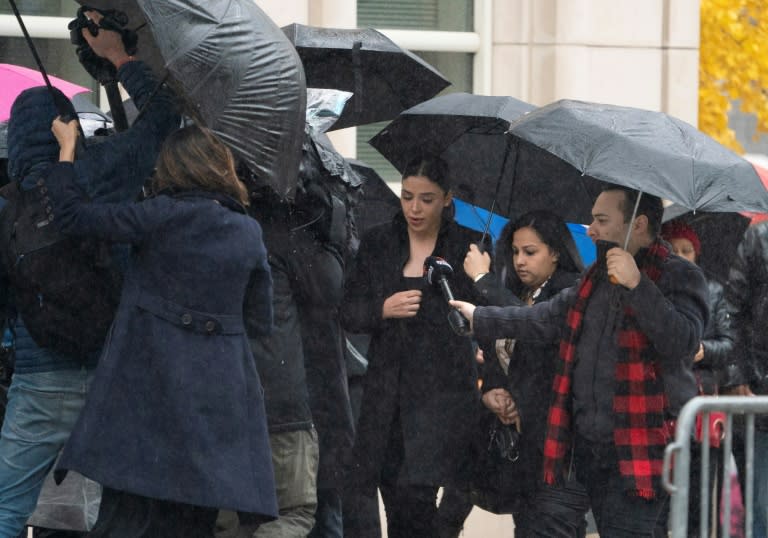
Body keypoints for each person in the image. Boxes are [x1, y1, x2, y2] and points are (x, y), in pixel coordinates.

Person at [47, 121, 277, 536]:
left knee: (128, 518)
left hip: (147, 399)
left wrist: (66, 151)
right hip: (214, 403)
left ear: (171, 168)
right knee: (191, 522)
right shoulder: (248, 232)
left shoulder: (158, 218)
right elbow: (262, 320)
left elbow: (72, 215)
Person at [0, 12, 179, 536]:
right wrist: (121, 58)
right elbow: (162, 116)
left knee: (7, 510)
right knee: (116, 515)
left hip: (38, 379)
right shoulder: (106, 168)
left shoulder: (8, 207)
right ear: (70, 126)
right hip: (113, 373)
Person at [450, 186, 710, 538]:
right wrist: (480, 316)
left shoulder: (678, 275)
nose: (591, 229)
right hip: (587, 451)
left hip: (642, 452)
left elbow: (683, 342)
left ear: (638, 223)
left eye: (601, 220)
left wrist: (638, 285)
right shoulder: (596, 276)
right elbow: (544, 318)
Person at [341, 156, 482, 538]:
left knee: (428, 508)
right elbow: (348, 311)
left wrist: (479, 281)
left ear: (447, 199)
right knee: (400, 505)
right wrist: (381, 309)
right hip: (389, 401)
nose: (414, 208)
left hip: (443, 399)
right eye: (406, 197)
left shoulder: (466, 247)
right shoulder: (378, 242)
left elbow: (486, 316)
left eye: (427, 199)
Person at [463, 210, 585, 536]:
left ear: (556, 252)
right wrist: (493, 390)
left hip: (560, 447)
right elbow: (498, 354)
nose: (520, 261)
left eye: (530, 252)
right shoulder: (519, 291)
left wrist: (483, 281)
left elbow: (534, 326)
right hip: (524, 448)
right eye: (515, 252)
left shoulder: (569, 289)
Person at [661, 219, 736, 536]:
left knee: (701, 497)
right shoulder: (655, 291)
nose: (679, 256)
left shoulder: (715, 290)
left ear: (696, 254)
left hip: (702, 406)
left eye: (686, 250)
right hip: (664, 406)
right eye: (673, 250)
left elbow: (729, 343)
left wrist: (704, 350)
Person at [724, 220, 768, 538]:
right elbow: (733, 311)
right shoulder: (759, 238)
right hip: (760, 391)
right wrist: (740, 373)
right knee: (761, 504)